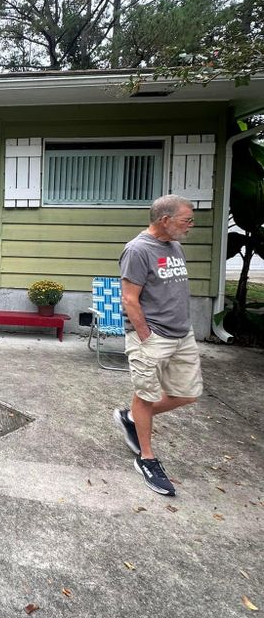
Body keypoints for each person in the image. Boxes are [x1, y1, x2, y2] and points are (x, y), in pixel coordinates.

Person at [112, 194, 203, 497]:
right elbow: (129, 298)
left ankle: (130, 418)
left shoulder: (175, 246)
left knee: (187, 394)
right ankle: (147, 459)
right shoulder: (138, 250)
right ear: (165, 220)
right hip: (152, 338)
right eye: (186, 220)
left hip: (181, 335)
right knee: (146, 395)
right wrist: (145, 336)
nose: (190, 225)